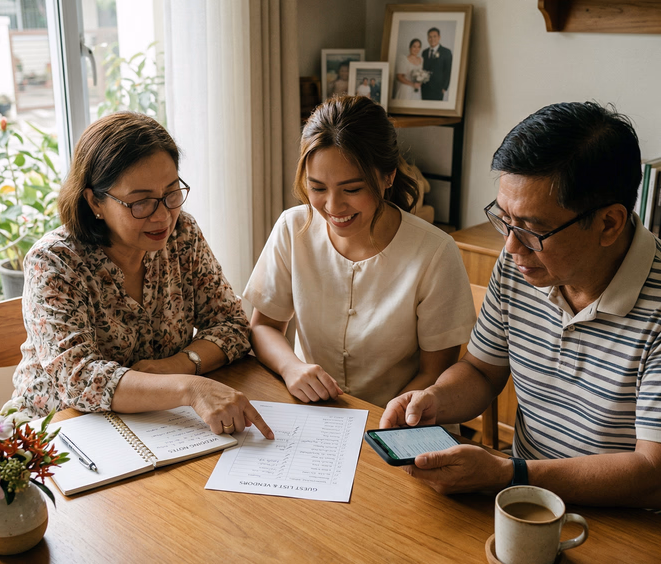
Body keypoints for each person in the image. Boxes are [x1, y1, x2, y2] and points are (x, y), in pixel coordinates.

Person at [381, 101, 661, 509]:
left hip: (627, 521)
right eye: (505, 219)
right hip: (522, 502)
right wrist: (435, 399)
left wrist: (506, 474)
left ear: (609, 224)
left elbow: (652, 472)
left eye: (533, 229)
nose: (510, 246)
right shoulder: (521, 265)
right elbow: (481, 371)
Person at [13, 112, 274, 440]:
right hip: (61, 434)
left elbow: (233, 327)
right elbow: (78, 379)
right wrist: (188, 388)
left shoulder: (183, 234)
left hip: (160, 424)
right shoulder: (54, 261)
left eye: (171, 193)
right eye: (141, 202)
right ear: (95, 201)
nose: (163, 215)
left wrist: (178, 364)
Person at [243, 96, 476, 407]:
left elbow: (435, 373)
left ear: (387, 176)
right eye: (317, 188)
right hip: (315, 413)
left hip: (402, 420)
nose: (333, 206)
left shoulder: (434, 252)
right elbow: (264, 326)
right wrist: (292, 367)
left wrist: (381, 418)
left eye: (352, 189)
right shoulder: (292, 228)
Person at [421, 28, 452, 101]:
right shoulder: (424, 52)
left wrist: (444, 88)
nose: (432, 39)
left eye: (434, 36)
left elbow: (448, 71)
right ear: (428, 38)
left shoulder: (446, 52)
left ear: (439, 37)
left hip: (438, 89)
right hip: (424, 88)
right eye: (430, 37)